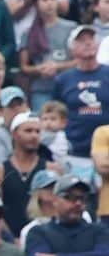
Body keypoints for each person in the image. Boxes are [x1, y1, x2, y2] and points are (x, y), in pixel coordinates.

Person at [50, 25, 109, 162]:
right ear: (72, 48)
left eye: (91, 39)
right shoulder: (63, 79)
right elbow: (56, 112)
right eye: (81, 40)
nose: (88, 43)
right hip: (75, 151)